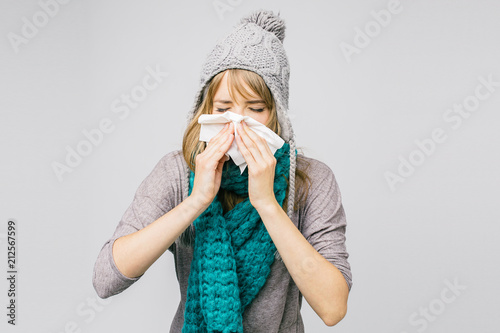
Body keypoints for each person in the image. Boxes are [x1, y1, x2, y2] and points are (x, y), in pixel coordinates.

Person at [92, 9, 352, 332]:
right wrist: (195, 201)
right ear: (206, 109)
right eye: (224, 108)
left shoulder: (313, 181)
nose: (237, 123)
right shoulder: (177, 172)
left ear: (277, 116)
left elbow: (333, 307)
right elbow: (105, 279)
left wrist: (268, 204)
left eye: (255, 108)